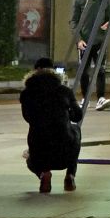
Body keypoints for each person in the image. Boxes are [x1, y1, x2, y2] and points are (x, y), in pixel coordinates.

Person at [19, 56, 82, 193]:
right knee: (76, 130)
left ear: (35, 71)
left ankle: (44, 174)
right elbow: (78, 115)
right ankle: (70, 174)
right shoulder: (64, 91)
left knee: (29, 158)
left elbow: (28, 117)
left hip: (39, 152)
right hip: (64, 153)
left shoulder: (26, 93)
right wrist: (66, 114)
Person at [70, 0, 110, 110]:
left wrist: (108, 23)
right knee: (84, 70)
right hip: (85, 41)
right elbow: (73, 21)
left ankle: (101, 98)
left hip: (99, 40)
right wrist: (79, 40)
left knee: (100, 69)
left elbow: (109, 15)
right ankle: (85, 98)